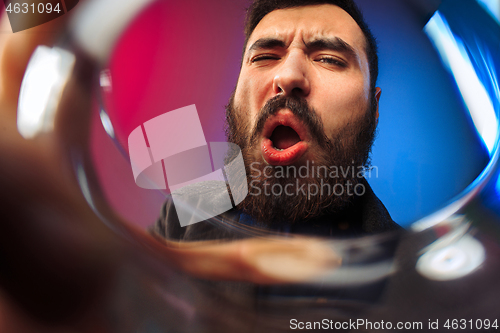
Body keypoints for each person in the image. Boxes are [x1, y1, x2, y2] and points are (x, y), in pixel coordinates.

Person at [152, 0, 401, 241]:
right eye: (264, 57)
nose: (288, 75)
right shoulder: (181, 213)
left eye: (329, 59)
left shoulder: (413, 270)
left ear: (374, 106)